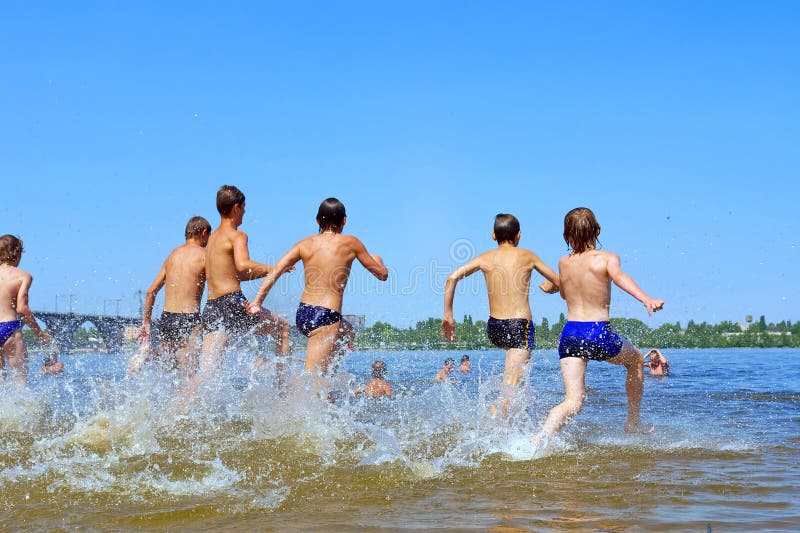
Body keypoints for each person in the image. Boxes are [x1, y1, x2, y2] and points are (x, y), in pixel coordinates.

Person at [533, 207, 664, 442]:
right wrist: (646, 299)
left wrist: (554, 285)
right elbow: (620, 277)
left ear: (567, 236)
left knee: (572, 402)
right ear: (598, 230)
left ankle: (541, 436)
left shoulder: (564, 263)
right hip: (597, 332)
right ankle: (632, 422)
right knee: (635, 361)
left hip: (570, 335)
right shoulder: (607, 258)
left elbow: (566, 293)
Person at [176, 186, 291, 409]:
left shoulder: (212, 240)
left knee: (206, 372)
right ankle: (285, 397)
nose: (245, 215)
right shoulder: (238, 236)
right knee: (283, 328)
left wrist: (269, 271)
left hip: (212, 307)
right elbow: (244, 265)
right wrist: (277, 267)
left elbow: (236, 274)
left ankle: (174, 410)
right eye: (244, 209)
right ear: (236, 208)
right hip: (232, 304)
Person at [248, 197, 388, 376]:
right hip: (326, 317)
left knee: (347, 333)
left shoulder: (304, 243)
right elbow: (382, 274)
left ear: (317, 221)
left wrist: (257, 302)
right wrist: (378, 260)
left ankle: (328, 375)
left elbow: (275, 271)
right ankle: (315, 387)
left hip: (304, 314)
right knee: (313, 380)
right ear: (344, 220)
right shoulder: (351, 242)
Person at [441, 214, 560, 411]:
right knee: (509, 392)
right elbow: (560, 283)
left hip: (495, 328)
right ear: (519, 235)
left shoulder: (484, 258)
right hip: (518, 327)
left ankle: (508, 431)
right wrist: (551, 287)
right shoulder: (527, 256)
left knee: (516, 386)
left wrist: (448, 315)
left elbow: (451, 278)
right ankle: (490, 428)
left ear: (493, 235)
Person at [128, 216, 211, 376]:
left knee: (169, 364)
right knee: (190, 372)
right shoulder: (204, 255)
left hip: (167, 318)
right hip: (189, 319)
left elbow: (151, 291)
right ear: (204, 233)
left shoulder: (172, 255)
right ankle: (189, 401)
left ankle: (149, 355)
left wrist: (146, 323)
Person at [0, 235, 52, 387]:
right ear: (16, 252)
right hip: (8, 328)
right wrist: (40, 334)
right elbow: (22, 309)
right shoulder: (23, 276)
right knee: (20, 383)